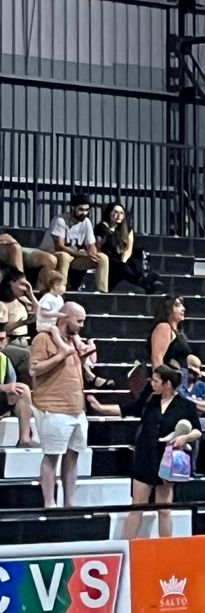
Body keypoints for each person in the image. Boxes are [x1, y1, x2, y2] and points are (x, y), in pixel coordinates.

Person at [29, 299, 94, 510]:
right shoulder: (44, 339)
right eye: (79, 321)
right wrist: (60, 354)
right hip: (53, 407)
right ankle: (49, 502)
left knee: (73, 455)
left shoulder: (74, 340)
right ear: (65, 318)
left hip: (76, 407)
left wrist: (86, 354)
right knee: (52, 456)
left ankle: (69, 501)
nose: (82, 325)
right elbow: (34, 370)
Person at [125, 363, 199, 537]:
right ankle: (126, 545)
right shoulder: (150, 400)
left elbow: (197, 430)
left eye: (156, 381)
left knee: (164, 509)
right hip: (145, 456)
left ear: (167, 384)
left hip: (167, 459)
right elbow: (129, 408)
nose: (152, 383)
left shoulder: (185, 405)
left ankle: (166, 548)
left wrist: (184, 438)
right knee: (137, 506)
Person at [40, 189, 109, 293]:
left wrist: (92, 253)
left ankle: (102, 291)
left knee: (102, 258)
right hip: (52, 253)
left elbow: (91, 244)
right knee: (64, 256)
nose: (84, 213)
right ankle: (61, 289)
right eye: (81, 209)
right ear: (72, 208)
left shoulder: (86, 222)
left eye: (87, 210)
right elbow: (59, 246)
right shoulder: (60, 221)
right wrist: (82, 255)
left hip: (74, 256)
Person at [98, 201, 153, 292]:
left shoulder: (127, 229)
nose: (118, 215)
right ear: (109, 213)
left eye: (121, 213)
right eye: (115, 212)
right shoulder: (102, 228)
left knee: (134, 258)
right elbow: (99, 247)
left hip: (123, 259)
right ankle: (142, 282)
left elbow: (128, 250)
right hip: (110, 258)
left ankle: (143, 280)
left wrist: (123, 262)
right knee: (117, 265)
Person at [0, 348, 35, 447]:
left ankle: (24, 439)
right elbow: (5, 387)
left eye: (2, 339)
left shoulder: (3, 359)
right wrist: (3, 387)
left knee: (22, 390)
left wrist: (10, 387)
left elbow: (12, 383)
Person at [147, 296, 190, 375]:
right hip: (169, 382)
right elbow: (157, 359)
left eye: (182, 305)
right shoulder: (164, 327)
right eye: (177, 305)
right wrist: (160, 381)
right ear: (168, 309)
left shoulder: (178, 332)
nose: (183, 308)